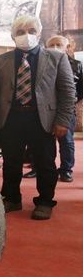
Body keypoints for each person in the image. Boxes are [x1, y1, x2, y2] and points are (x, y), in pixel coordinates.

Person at [0, 15, 75, 220]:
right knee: (11, 162)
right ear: (12, 36)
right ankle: (12, 198)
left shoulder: (56, 58)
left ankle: (44, 201)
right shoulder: (0, 61)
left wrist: (62, 121)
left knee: (45, 163)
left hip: (42, 119)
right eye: (21, 32)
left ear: (39, 33)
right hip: (11, 119)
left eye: (32, 31)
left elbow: (68, 92)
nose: (27, 36)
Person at [46, 35, 83, 182]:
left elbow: (80, 89)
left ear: (67, 47)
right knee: (42, 141)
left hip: (66, 109)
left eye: (58, 44)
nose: (55, 47)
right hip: (46, 109)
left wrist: (71, 102)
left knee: (66, 141)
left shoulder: (77, 64)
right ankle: (41, 168)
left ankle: (66, 170)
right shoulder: (42, 63)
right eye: (52, 44)